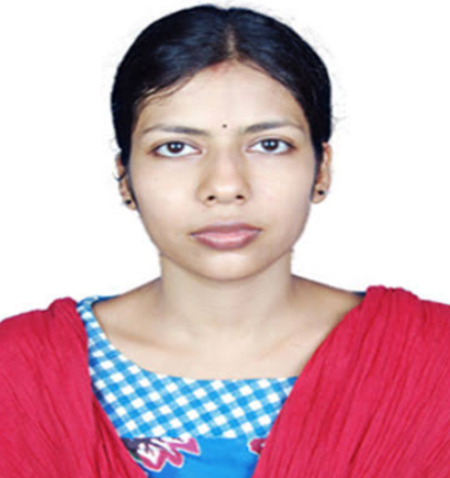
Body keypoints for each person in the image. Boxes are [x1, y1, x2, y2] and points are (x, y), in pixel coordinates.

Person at [1, 4, 449, 478]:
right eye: (175, 147)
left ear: (322, 170)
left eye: (269, 144)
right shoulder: (18, 373)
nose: (225, 185)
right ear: (125, 178)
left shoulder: (433, 360)